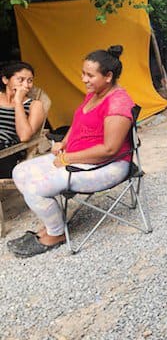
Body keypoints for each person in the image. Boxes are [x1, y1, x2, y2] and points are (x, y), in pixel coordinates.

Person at [7, 46, 135, 257]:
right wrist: (64, 143)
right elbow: (77, 123)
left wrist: (69, 157)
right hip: (76, 157)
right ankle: (54, 223)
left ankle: (56, 234)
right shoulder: (94, 94)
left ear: (108, 76)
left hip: (108, 164)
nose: (84, 79)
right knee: (20, 172)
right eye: (83, 73)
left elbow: (110, 149)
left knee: (36, 187)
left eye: (90, 75)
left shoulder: (117, 103)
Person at [0, 62, 46, 177]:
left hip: (7, 151)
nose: (26, 85)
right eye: (20, 79)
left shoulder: (35, 105)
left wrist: (18, 102)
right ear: (5, 80)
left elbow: (24, 136)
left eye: (30, 80)